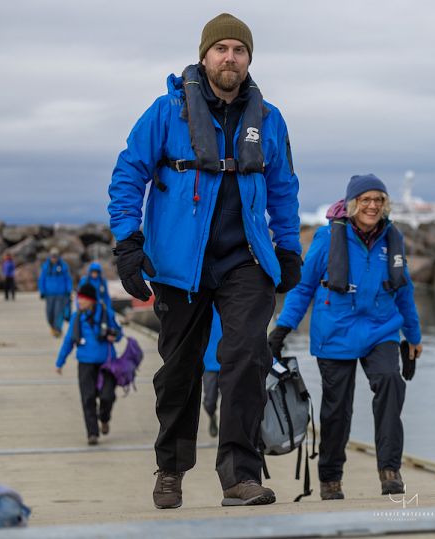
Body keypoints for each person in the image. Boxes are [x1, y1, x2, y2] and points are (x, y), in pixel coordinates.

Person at [108, 13, 302, 509]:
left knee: (246, 359)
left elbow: (283, 188)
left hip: (246, 261)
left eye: (240, 50)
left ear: (249, 59)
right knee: (179, 370)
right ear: (205, 55)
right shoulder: (164, 112)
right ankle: (171, 468)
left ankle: (239, 475)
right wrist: (128, 245)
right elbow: (128, 175)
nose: (230, 57)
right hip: (179, 266)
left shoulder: (271, 119)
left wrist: (288, 248)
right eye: (222, 49)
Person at [269, 174, 423, 501]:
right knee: (337, 408)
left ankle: (390, 470)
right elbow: (304, 288)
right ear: (353, 203)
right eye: (366, 200)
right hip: (335, 331)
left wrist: (412, 337)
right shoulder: (327, 239)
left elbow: (404, 290)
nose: (372, 206)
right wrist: (282, 329)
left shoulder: (392, 238)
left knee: (390, 382)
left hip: (381, 328)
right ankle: (330, 477)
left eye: (378, 200)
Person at [55, 283, 123, 445]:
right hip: (85, 362)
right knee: (88, 397)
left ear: (92, 300)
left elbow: (119, 333)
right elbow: (68, 341)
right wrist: (60, 362)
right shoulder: (76, 317)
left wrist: (115, 336)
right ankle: (92, 433)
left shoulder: (107, 313)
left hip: (107, 362)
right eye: (79, 299)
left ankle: (104, 417)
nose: (79, 302)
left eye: (83, 299)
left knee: (108, 396)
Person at [38, 248, 72, 337]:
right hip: (49, 294)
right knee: (49, 313)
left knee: (58, 312)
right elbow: (42, 279)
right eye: (52, 257)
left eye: (55, 257)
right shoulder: (45, 267)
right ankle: (53, 327)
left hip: (61, 294)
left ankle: (58, 329)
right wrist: (42, 291)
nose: (54, 259)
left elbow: (68, 279)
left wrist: (69, 290)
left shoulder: (63, 266)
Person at [202, 309, 223, 438]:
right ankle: (212, 416)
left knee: (231, 401)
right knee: (209, 401)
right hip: (209, 361)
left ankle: (228, 432)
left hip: (230, 360)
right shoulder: (204, 299)